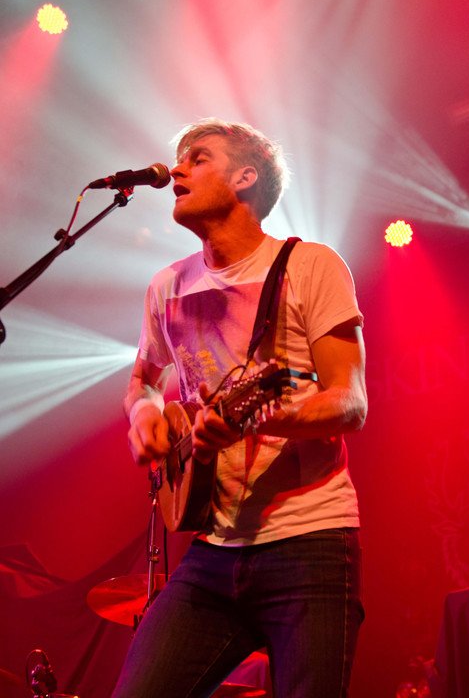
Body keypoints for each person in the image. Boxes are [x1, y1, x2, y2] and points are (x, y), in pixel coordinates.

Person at [112, 118, 367, 698]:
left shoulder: (310, 265)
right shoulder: (167, 286)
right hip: (211, 550)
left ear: (245, 178)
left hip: (310, 541)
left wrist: (263, 418)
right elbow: (142, 383)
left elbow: (350, 403)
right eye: (179, 158)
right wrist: (143, 415)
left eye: (198, 157)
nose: (177, 169)